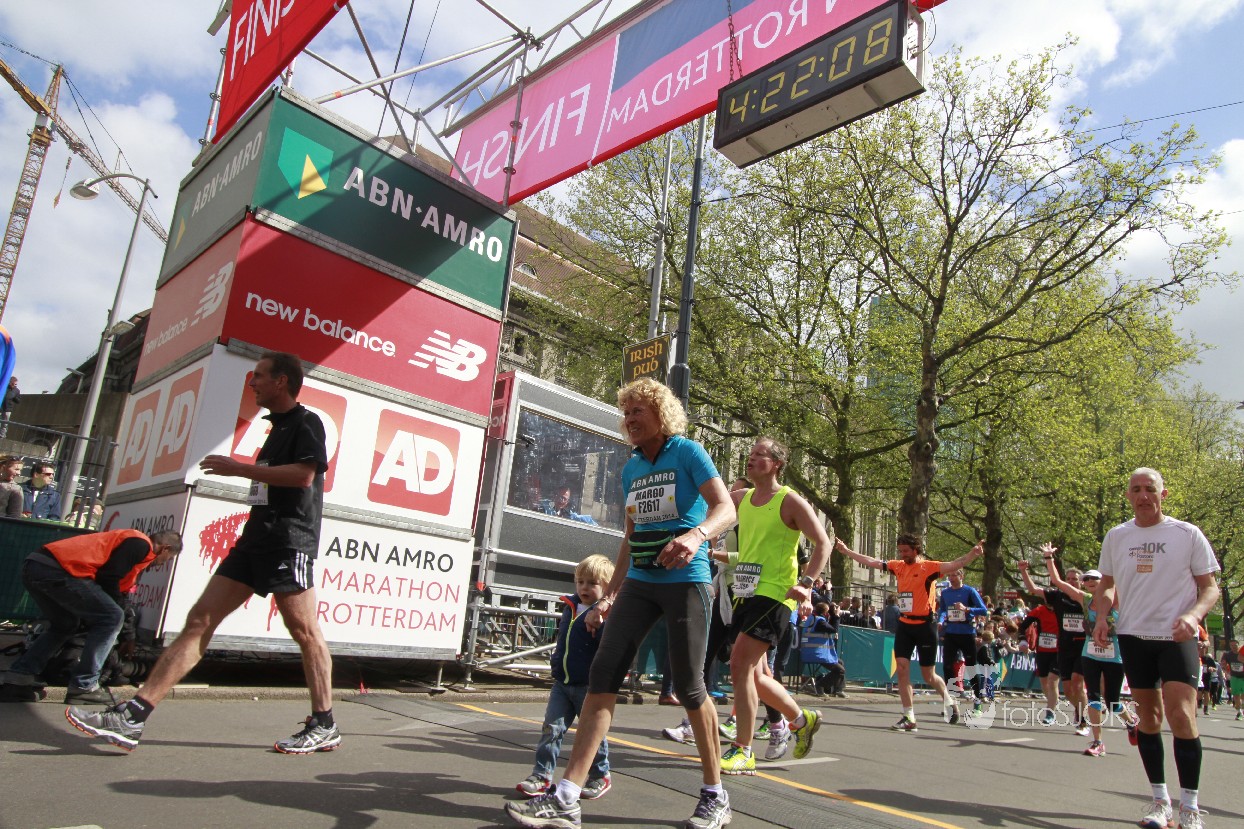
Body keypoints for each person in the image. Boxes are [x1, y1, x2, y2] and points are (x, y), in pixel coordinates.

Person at [66, 352, 339, 754]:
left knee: (305, 631)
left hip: (288, 541)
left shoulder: (306, 421)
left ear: (281, 381)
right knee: (200, 620)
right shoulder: (276, 427)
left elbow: (304, 476)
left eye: (259, 376)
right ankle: (133, 716)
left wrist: (239, 469)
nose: (253, 382)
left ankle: (324, 723)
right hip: (254, 541)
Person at [505, 377, 736, 829]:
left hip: (686, 580)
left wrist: (696, 536)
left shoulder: (688, 452)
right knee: (602, 676)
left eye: (638, 411)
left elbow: (726, 509)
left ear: (661, 414)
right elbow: (630, 537)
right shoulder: (631, 469)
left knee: (690, 688)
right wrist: (609, 596)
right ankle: (567, 795)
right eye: (626, 412)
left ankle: (715, 795)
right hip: (641, 582)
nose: (629, 419)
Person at [1092, 468, 1220, 829]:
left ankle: (1190, 808)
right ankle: (1160, 802)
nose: (1143, 495)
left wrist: (1193, 616)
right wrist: (1101, 617)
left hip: (1176, 636)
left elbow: (1210, 587)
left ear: (1163, 495)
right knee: (1148, 718)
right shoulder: (1117, 536)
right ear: (1128, 496)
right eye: (1136, 489)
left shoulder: (1187, 534)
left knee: (1181, 715)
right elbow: (1106, 585)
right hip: (1134, 636)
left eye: (1150, 489)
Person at [717, 438, 830, 775]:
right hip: (745, 591)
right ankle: (800, 718)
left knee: (740, 664)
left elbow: (823, 543)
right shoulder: (741, 498)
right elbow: (711, 505)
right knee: (753, 673)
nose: (750, 458)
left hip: (775, 594)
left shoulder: (789, 500)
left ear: (777, 463)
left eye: (759, 455)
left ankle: (743, 749)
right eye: (750, 454)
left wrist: (807, 583)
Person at [0, 528, 182, 703]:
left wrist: (129, 635)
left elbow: (119, 595)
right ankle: (84, 686)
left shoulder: (134, 553)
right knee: (111, 617)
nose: (162, 563)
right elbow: (108, 578)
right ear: (165, 548)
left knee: (65, 625)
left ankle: (18, 680)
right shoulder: (141, 545)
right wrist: (120, 623)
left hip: (36, 566)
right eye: (168, 559)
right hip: (59, 570)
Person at [835, 534, 985, 731]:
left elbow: (955, 564)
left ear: (916, 549)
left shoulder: (929, 568)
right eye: (900, 551)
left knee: (928, 675)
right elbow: (872, 561)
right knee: (902, 668)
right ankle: (909, 716)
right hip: (905, 625)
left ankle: (948, 699)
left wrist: (973, 554)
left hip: (925, 626)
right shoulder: (898, 566)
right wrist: (847, 551)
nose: (902, 554)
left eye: (906, 551)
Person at [517, 554, 615, 801]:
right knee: (551, 729)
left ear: (606, 587)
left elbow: (609, 648)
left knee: (591, 733)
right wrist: (556, 664)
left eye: (592, 583)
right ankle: (541, 776)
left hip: (587, 686)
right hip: (562, 683)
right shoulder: (569, 607)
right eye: (580, 582)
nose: (584, 587)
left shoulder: (605, 616)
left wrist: (602, 627)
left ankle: (599, 775)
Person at [1042, 547, 1138, 756]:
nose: (1090, 581)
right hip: (1090, 654)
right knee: (1093, 696)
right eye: (1086, 579)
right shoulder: (1084, 599)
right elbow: (1057, 581)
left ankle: (1131, 723)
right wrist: (1049, 557)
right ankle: (1097, 742)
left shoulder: (1117, 598)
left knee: (1112, 702)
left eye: (1095, 578)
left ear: (1104, 581)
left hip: (1114, 656)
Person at [1020, 554, 1091, 737]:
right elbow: (1032, 589)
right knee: (1067, 689)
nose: (1071, 582)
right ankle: (1079, 710)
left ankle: (1083, 721)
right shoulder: (1058, 596)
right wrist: (1023, 571)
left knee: (1077, 683)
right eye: (1069, 579)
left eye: (1075, 579)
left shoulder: (1086, 599)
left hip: (1083, 647)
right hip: (1064, 647)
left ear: (1081, 583)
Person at [936, 567, 988, 719]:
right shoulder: (945, 593)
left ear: (961, 576)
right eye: (950, 575)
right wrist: (940, 621)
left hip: (967, 633)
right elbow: (943, 610)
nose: (951, 578)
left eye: (954, 575)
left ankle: (977, 703)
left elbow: (983, 610)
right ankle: (951, 703)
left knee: (971, 668)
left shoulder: (969, 591)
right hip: (951, 633)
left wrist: (967, 609)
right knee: (947, 667)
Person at [1016, 590, 1062, 725]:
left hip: (1059, 651)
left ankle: (1050, 712)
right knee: (1044, 682)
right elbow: (1022, 626)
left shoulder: (1063, 611)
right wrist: (1023, 640)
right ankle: (1052, 702)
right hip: (1042, 651)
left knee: (1052, 680)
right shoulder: (1039, 611)